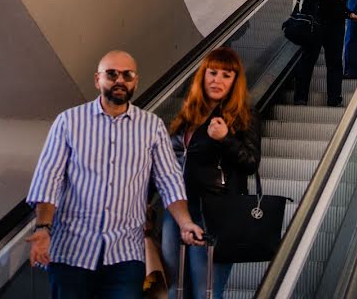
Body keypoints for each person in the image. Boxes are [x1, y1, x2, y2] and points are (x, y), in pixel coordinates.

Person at [26, 50, 204, 299]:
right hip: (71, 252)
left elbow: (169, 180)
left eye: (127, 75)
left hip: (125, 255)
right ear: (98, 80)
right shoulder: (69, 122)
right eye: (112, 74)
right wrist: (43, 228)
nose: (120, 80)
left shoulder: (152, 127)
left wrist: (185, 223)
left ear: (135, 82)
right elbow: (49, 179)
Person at [163, 46, 260, 299]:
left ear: (235, 82)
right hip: (176, 209)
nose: (217, 80)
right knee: (173, 289)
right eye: (212, 72)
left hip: (215, 213)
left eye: (226, 75)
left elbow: (251, 163)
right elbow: (167, 163)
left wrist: (225, 139)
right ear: (202, 75)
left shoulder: (243, 116)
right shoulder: (187, 115)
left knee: (206, 292)